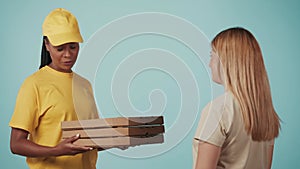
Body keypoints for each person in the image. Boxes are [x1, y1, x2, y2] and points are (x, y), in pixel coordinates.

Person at [9, 8, 100, 169]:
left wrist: (118, 141)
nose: (68, 55)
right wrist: (56, 150)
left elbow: (90, 139)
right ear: (47, 45)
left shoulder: (85, 85)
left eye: (73, 47)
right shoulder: (34, 85)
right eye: (60, 48)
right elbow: (16, 144)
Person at [193, 27, 280, 169]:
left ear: (226, 61)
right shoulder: (266, 113)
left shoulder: (218, 110)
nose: (209, 64)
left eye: (212, 56)